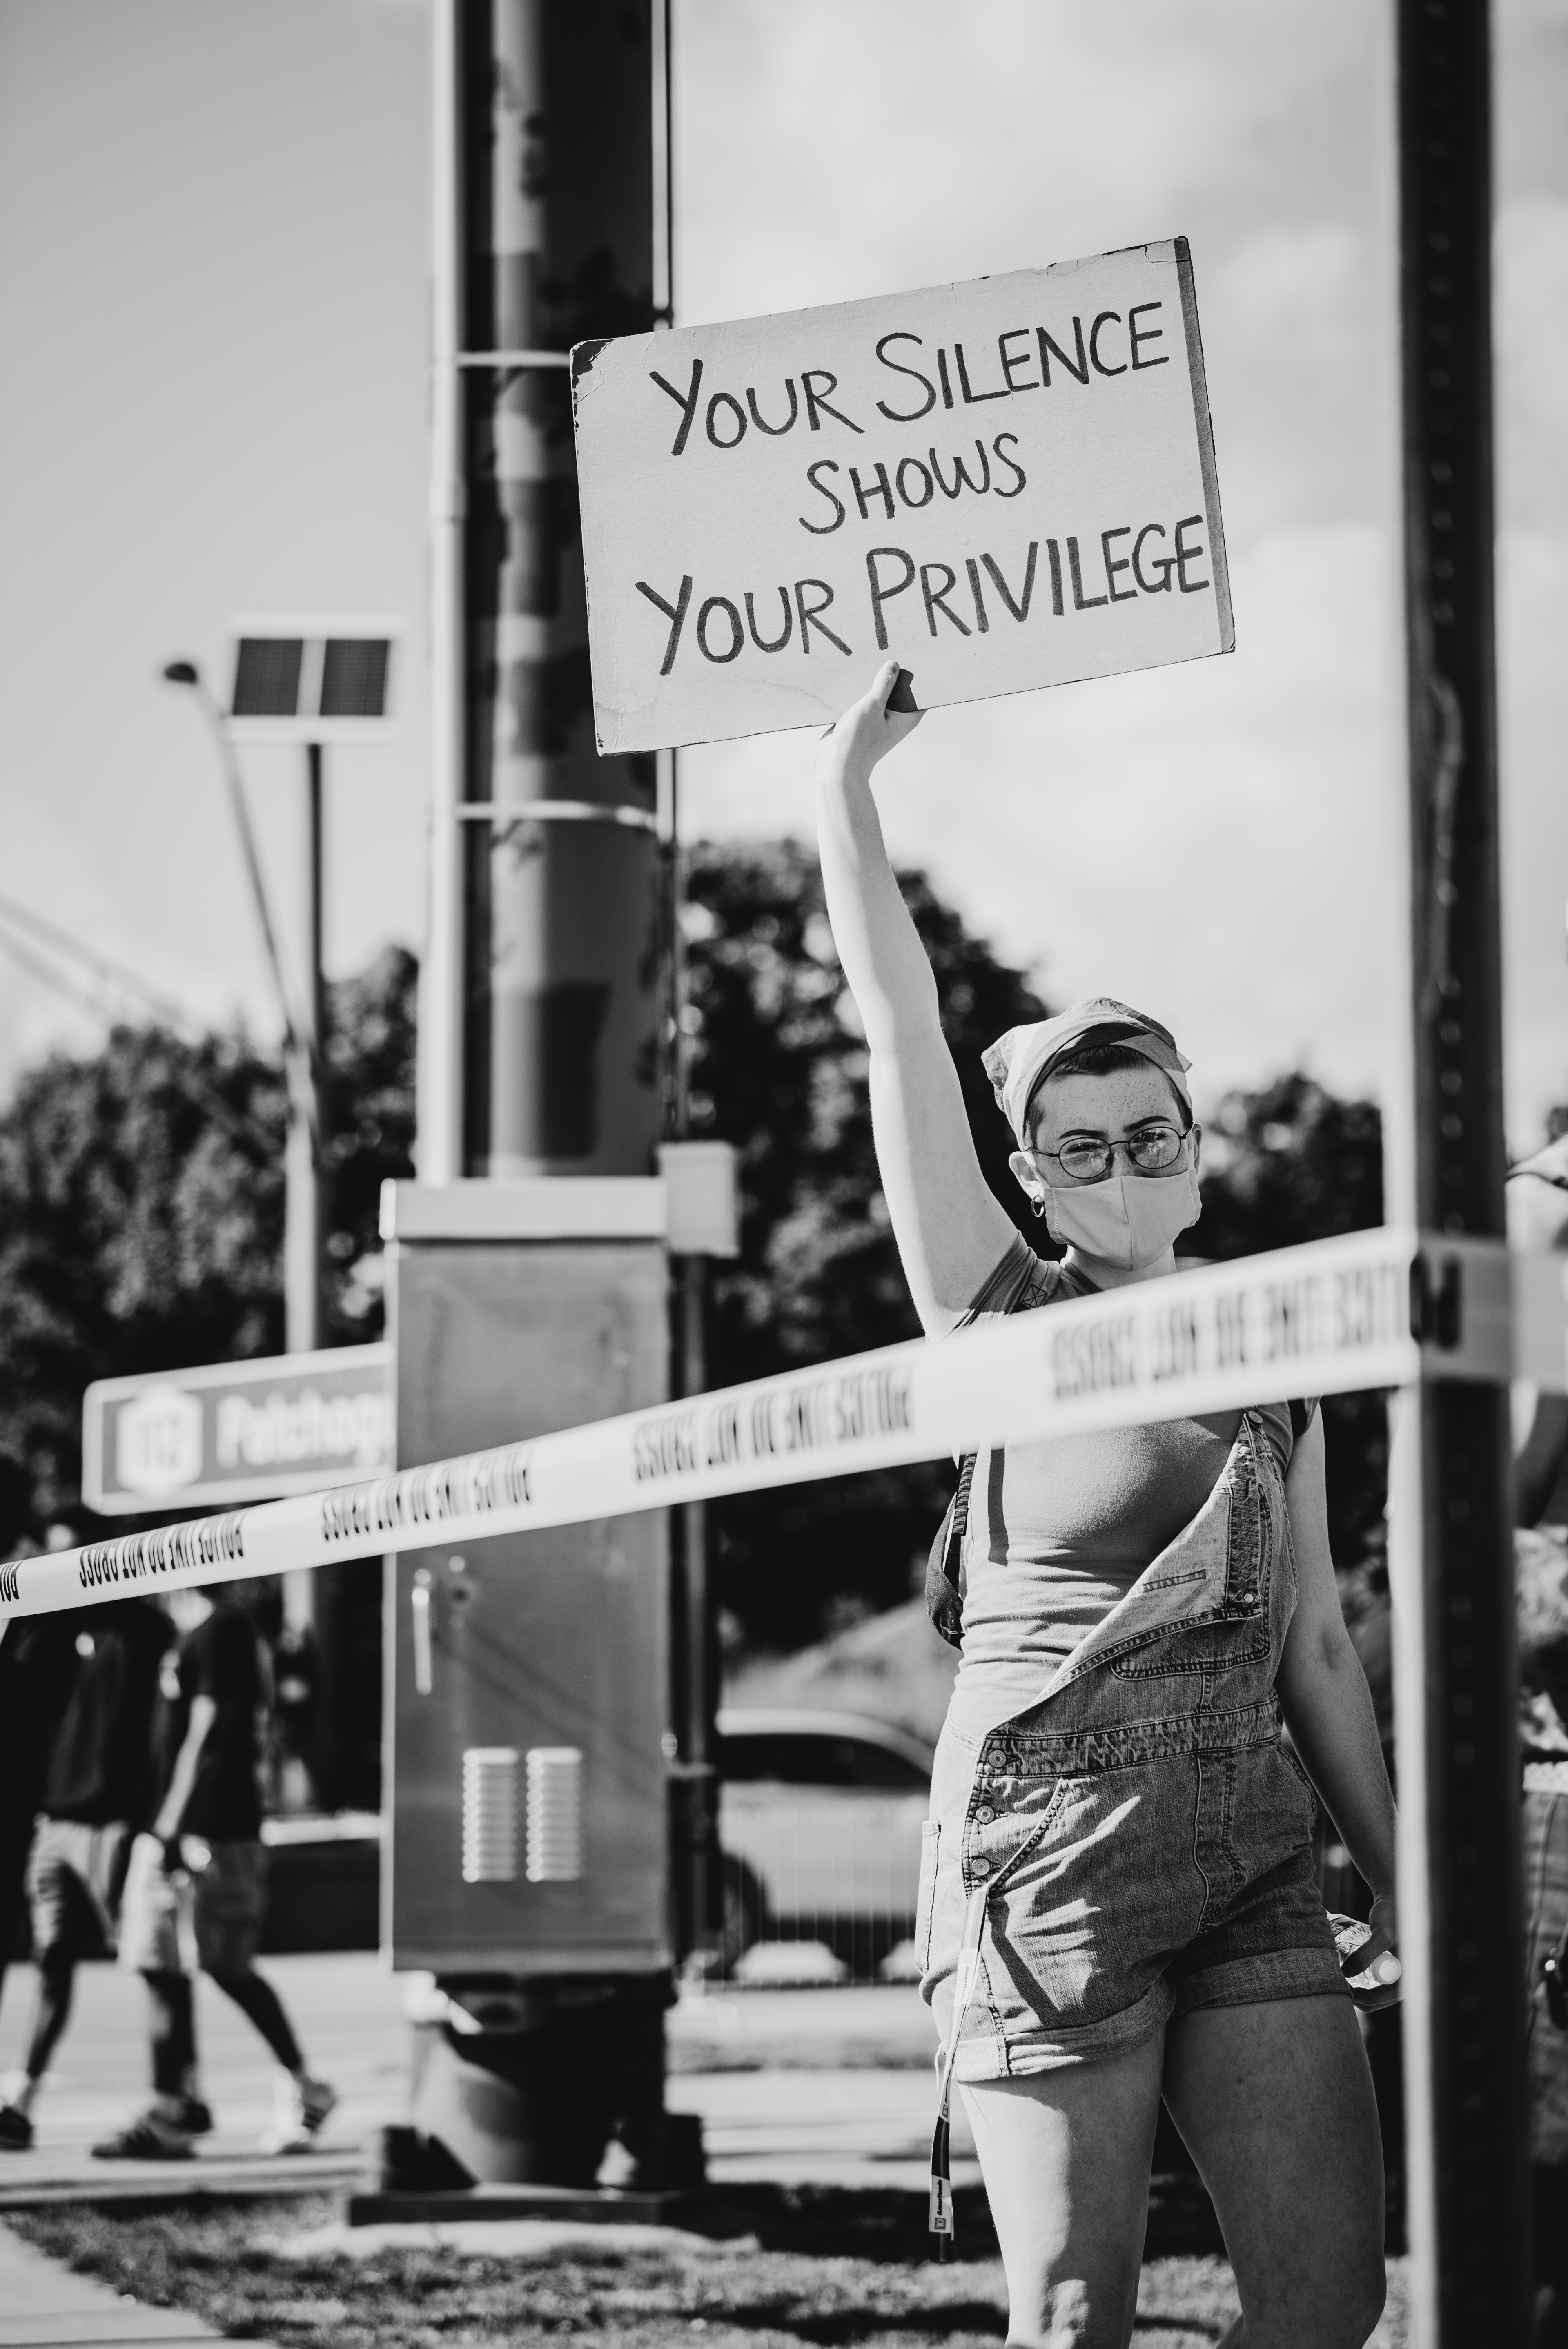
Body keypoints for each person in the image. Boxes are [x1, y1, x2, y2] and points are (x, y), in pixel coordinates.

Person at [815, 663, 1399, 2349]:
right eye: (1079, 1149)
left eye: (1152, 1138)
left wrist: (1403, 1875)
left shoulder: (1284, 1345)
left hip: (1252, 1846)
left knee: (1330, 2304)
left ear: (1198, 1146)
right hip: (1047, 1852)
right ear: (1024, 1170)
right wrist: (844, 791)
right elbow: (893, 1018)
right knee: (1074, 2312)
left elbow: (1320, 1651)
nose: (1124, 1174)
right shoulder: (993, 1315)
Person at [92, 1583, 335, 2160]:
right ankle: (174, 2108)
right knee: (161, 1967)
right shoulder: (195, 1635)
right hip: (186, 1829)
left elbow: (212, 1730)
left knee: (226, 1967)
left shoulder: (223, 1629)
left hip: (210, 1832)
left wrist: (172, 1827)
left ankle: (306, 2087)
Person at [0, 1595, 171, 2150]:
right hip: (55, 1821)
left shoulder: (137, 1630)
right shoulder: (48, 1642)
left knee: (154, 1964)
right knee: (52, 1961)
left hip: (111, 1824)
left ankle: (175, 2102)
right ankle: (22, 2103)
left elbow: (145, 1620)